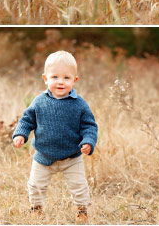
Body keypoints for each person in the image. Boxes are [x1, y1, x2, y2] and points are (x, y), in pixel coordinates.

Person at [12, 50, 99, 223]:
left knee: (79, 186)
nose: (60, 82)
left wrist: (88, 141)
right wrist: (20, 134)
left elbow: (89, 126)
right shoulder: (39, 101)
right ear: (45, 78)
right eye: (55, 77)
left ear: (75, 80)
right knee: (36, 185)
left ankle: (81, 211)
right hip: (43, 156)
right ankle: (36, 209)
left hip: (71, 157)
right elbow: (27, 119)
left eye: (66, 78)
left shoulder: (79, 104)